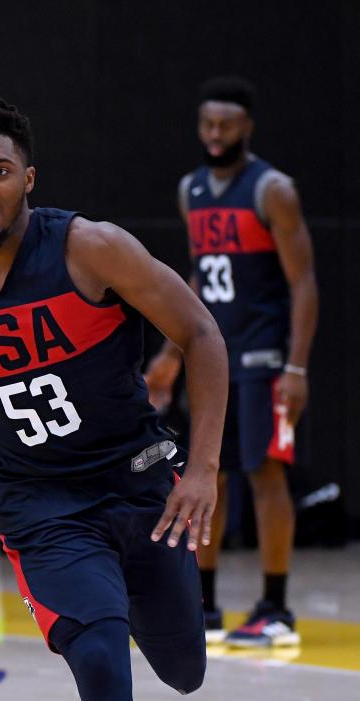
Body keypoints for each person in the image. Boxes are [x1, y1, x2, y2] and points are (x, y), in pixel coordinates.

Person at [0, 98, 228, 700]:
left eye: (0, 171)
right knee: (102, 659)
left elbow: (201, 333)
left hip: (138, 482)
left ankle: (114, 588)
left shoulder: (90, 248)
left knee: (185, 672)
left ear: (27, 179)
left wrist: (204, 470)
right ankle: (94, 599)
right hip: (40, 501)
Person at [145, 76, 318, 647]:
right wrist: (171, 351)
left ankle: (276, 607)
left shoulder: (273, 190)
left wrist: (296, 368)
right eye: (207, 124)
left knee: (266, 474)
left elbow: (305, 284)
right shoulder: (191, 188)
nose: (215, 134)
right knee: (207, 473)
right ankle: (207, 603)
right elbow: (201, 274)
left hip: (265, 355)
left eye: (226, 124)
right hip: (214, 356)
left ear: (247, 126)